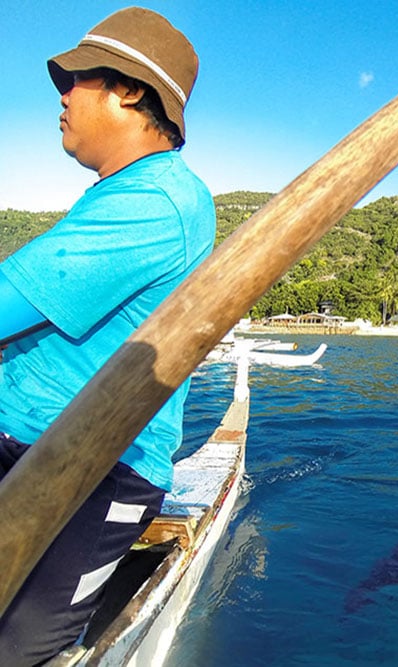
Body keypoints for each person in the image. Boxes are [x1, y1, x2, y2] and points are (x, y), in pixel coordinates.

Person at [0, 8, 215, 664]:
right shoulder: (116, 193)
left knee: (15, 651)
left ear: (128, 89)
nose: (62, 96)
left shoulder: (156, 202)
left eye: (76, 79)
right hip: (18, 436)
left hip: (97, 468)